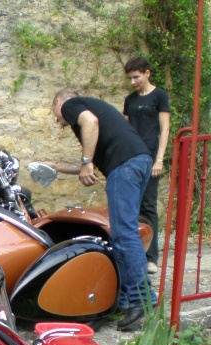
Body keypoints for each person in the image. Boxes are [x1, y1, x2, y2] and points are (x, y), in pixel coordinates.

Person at [43, 88, 156, 331]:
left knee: (124, 234)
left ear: (60, 101)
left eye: (55, 112)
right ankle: (125, 300)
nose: (56, 118)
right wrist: (54, 165)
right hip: (137, 161)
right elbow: (89, 162)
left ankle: (142, 302)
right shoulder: (92, 110)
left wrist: (85, 163)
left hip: (124, 165)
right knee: (120, 234)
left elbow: (90, 123)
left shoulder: (71, 105)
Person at [123, 57, 171, 275]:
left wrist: (159, 159)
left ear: (147, 73)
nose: (133, 81)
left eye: (136, 77)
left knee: (148, 206)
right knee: (130, 206)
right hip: (132, 158)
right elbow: (124, 130)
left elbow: (165, 130)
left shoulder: (159, 96)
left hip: (151, 158)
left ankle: (151, 258)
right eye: (130, 78)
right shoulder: (130, 100)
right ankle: (134, 255)